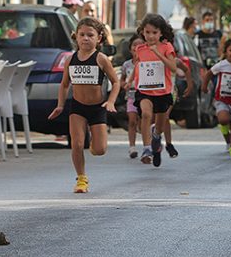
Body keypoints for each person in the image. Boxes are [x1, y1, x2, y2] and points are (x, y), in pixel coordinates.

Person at [48, 17, 119, 193]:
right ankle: (81, 179)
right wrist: (60, 105)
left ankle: (95, 140)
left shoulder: (101, 59)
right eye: (82, 35)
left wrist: (110, 101)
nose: (85, 38)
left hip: (97, 108)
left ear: (99, 38)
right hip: (78, 107)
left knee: (100, 150)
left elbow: (116, 82)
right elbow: (65, 84)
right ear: (76, 37)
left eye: (90, 35)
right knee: (77, 144)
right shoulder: (70, 60)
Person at [134, 14, 177, 167]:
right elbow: (138, 66)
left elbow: (173, 68)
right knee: (145, 114)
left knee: (160, 124)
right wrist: (132, 81)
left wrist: (158, 53)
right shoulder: (139, 49)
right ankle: (146, 148)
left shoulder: (167, 47)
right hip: (145, 90)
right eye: (147, 32)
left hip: (162, 92)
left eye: (154, 32)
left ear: (161, 33)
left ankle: (156, 138)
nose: (150, 36)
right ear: (142, 32)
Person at [203, 38, 231, 159]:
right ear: (225, 52)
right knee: (223, 119)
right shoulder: (222, 65)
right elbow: (209, 74)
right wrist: (204, 86)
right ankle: (227, 138)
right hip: (222, 99)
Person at [120, 33, 143, 159]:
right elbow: (121, 80)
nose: (137, 47)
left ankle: (148, 144)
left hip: (145, 96)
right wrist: (124, 84)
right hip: (131, 96)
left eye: (140, 45)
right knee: (132, 120)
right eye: (135, 45)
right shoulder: (126, 65)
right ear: (130, 48)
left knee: (144, 120)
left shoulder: (147, 63)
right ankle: (132, 147)